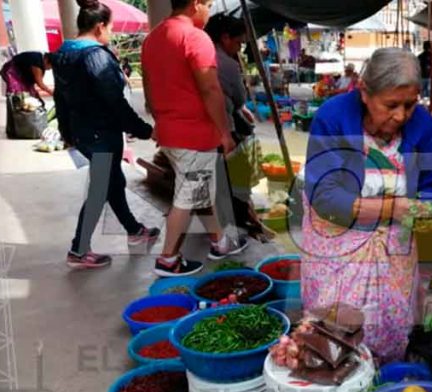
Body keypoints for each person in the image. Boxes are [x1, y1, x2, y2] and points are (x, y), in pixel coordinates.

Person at [301, 48, 432, 363]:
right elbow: (326, 198)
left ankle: (383, 378)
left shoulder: (424, 126)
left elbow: (430, 186)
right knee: (336, 333)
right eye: (391, 105)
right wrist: (393, 209)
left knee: (391, 326)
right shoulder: (332, 118)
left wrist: (430, 210)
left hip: (394, 253)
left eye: (410, 104)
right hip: (337, 247)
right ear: (365, 92)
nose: (401, 115)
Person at [142, 0, 249, 277]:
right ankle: (168, 259)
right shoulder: (195, 37)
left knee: (200, 189)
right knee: (188, 196)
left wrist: (159, 121)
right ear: (196, 3)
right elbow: (210, 89)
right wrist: (225, 133)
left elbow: (149, 86)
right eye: (208, 4)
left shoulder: (153, 37)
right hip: (194, 134)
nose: (209, 11)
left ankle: (219, 242)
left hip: (171, 132)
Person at [52, 0, 160, 269]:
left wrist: (66, 130)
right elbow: (115, 102)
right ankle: (78, 250)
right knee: (102, 188)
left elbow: (60, 97)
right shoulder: (95, 56)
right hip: (101, 134)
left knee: (113, 182)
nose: (110, 33)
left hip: (84, 132)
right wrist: (144, 130)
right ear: (100, 27)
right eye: (110, 28)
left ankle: (134, 231)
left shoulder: (64, 52)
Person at [204, 14, 273, 242]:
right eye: (238, 43)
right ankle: (242, 220)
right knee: (239, 178)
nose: (240, 48)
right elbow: (238, 96)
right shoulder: (226, 63)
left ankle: (237, 220)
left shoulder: (197, 54)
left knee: (218, 183)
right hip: (223, 127)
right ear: (225, 38)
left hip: (200, 130)